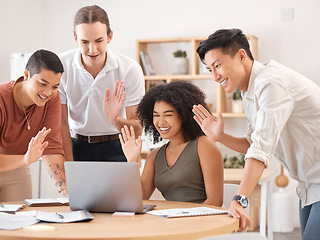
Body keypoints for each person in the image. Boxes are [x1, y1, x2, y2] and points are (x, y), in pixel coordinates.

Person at [193, 28, 320, 238]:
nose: (215, 76)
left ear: (241, 55)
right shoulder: (248, 90)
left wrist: (240, 199)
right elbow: (253, 142)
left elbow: (261, 148)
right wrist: (220, 137)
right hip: (310, 183)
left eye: (218, 65)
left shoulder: (270, 83)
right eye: (209, 70)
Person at [0, 49, 68, 207]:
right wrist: (25, 159)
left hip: (16, 162)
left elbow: (50, 145)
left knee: (22, 220)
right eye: (42, 84)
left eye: (54, 86)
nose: (48, 92)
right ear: (26, 75)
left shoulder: (52, 98)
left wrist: (64, 189)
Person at [59, 5, 145, 162]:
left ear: (110, 36)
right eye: (85, 42)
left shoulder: (130, 69)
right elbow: (62, 124)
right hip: (75, 145)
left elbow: (138, 130)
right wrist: (70, 165)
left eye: (99, 41)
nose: (92, 50)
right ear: (75, 39)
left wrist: (115, 119)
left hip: (117, 146)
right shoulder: (61, 66)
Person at [119, 81, 223, 206]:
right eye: (156, 115)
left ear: (184, 115)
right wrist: (132, 159)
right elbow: (139, 198)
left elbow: (215, 201)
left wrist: (186, 220)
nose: (161, 122)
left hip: (202, 221)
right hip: (172, 221)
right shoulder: (155, 156)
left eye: (168, 115)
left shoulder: (203, 145)